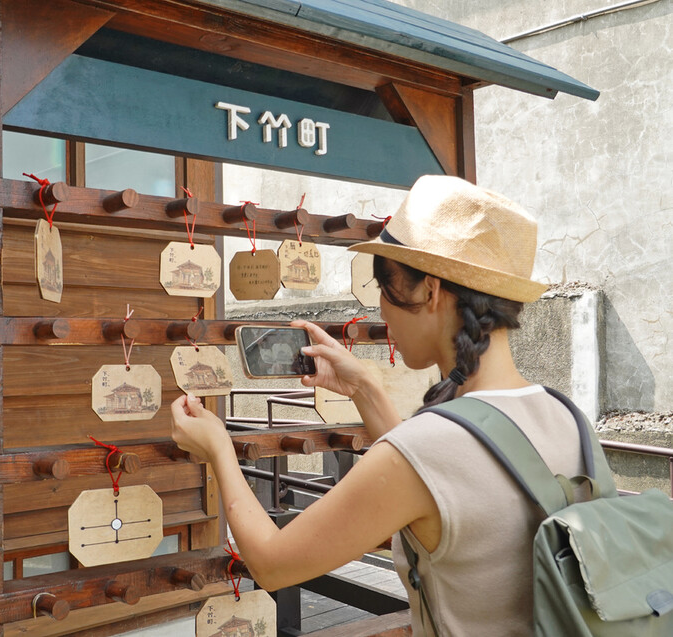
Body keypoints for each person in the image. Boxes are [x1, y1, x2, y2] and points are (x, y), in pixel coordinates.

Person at [171, 175, 585, 636]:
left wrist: (219, 451)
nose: (380, 314)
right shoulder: (566, 416)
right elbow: (436, 481)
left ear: (429, 291)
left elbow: (271, 564)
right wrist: (364, 386)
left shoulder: (428, 449)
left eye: (385, 293)